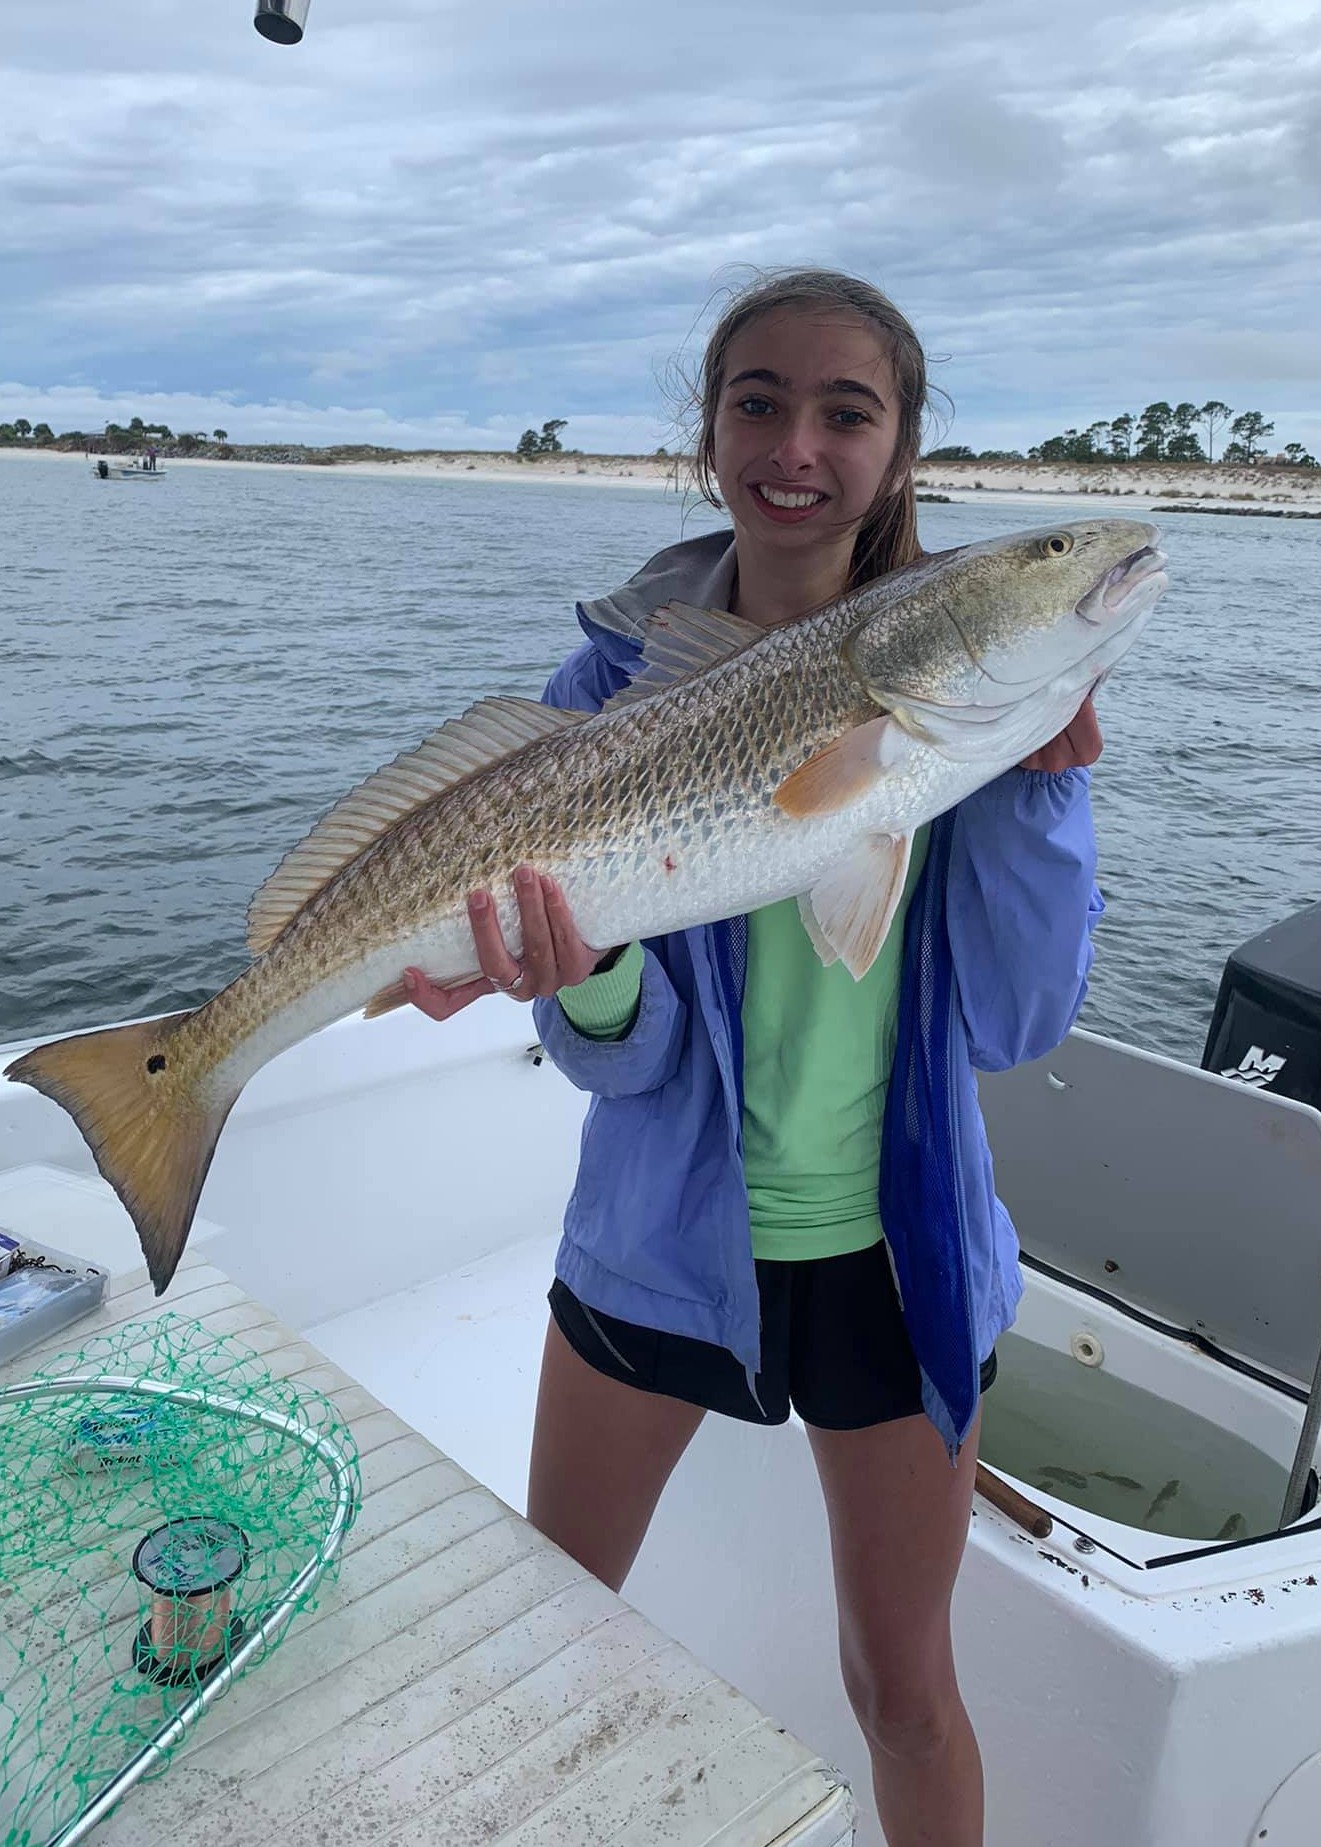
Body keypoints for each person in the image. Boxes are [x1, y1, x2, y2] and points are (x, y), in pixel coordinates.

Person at [403, 269, 1104, 1847]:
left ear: (902, 449)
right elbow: (623, 1068)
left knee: (905, 1689)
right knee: (547, 1624)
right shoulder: (607, 688)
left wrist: (1044, 791)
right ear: (708, 430)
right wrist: (575, 987)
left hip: (900, 1266)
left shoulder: (977, 705)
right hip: (655, 1250)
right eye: (758, 402)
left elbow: (1012, 1024)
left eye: (845, 412)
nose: (797, 445)